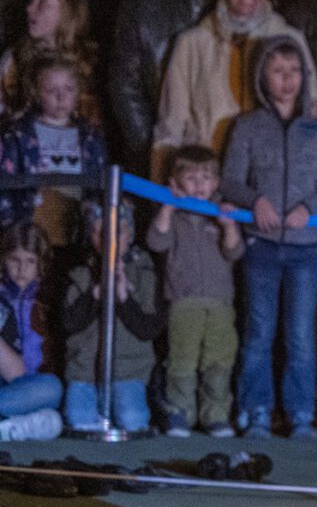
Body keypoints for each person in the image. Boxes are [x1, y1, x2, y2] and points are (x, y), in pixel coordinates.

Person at [221, 37, 317, 439]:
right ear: (263, 77)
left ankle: (299, 414)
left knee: (300, 333)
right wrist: (254, 199)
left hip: (307, 247)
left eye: (294, 71)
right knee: (259, 329)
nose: (287, 79)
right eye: (278, 71)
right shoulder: (247, 127)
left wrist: (310, 209)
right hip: (261, 244)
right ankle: (256, 409)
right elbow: (229, 179)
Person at [152, 0, 316, 176]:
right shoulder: (192, 43)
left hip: (271, 180)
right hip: (205, 180)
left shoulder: (291, 40)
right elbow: (171, 125)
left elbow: (310, 113)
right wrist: (163, 195)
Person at [110, 0, 223, 170]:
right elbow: (126, 84)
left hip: (222, 151)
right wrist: (152, 149)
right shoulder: (143, 2)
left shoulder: (235, 0)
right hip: (161, 148)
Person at [145, 144, 243, 438]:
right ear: (176, 181)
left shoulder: (221, 212)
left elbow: (234, 252)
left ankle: (215, 415)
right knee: (182, 361)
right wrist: (168, 206)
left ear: (216, 182)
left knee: (219, 360)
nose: (199, 185)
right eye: (191, 178)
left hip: (220, 303)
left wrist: (229, 227)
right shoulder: (174, 217)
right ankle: (180, 413)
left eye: (206, 177)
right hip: (183, 301)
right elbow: (156, 242)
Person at [61, 201, 160, 434]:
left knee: (132, 421)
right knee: (79, 422)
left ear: (130, 234)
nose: (109, 241)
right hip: (84, 371)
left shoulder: (145, 272)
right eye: (99, 232)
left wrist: (124, 297)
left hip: (128, 369)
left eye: (117, 232)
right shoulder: (79, 272)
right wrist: (95, 294)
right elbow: (69, 323)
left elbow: (148, 328)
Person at [0, 54, 108, 246]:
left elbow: (98, 189)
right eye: (51, 90)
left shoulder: (91, 138)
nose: (61, 97)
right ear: (36, 92)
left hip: (76, 232)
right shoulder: (17, 135)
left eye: (68, 89)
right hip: (30, 232)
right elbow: (5, 186)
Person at [0, 221, 61, 439]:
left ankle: (7, 428)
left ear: (40, 265)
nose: (21, 270)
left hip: (28, 390)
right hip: (7, 382)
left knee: (52, 404)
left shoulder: (47, 301)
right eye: (14, 260)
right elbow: (13, 370)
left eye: (30, 262)